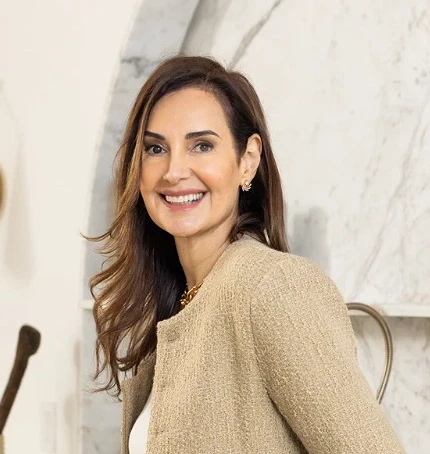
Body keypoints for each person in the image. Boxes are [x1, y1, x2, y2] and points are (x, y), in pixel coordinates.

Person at [89, 55, 405, 454]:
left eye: (201, 145)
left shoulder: (273, 289)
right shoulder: (181, 305)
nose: (174, 171)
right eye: (155, 148)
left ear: (247, 161)